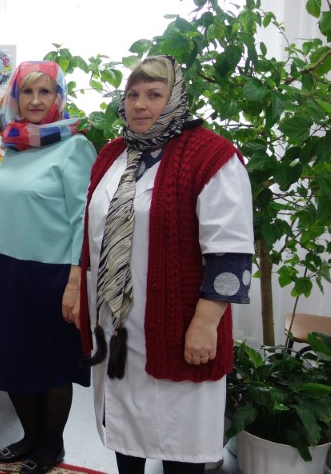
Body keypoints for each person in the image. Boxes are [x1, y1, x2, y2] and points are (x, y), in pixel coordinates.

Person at [73, 56, 254, 474]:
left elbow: (230, 252)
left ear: (176, 99)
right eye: (133, 94)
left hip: (178, 327)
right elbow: (92, 234)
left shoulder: (211, 156)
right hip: (118, 328)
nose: (140, 105)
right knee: (123, 427)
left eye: (154, 94)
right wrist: (76, 286)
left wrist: (205, 324)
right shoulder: (112, 154)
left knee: (179, 440)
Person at [0, 61, 96, 474]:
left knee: (50, 363)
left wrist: (76, 280)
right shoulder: (13, 145)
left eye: (45, 91)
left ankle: (51, 445)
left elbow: (84, 219)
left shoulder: (74, 147)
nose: (36, 100)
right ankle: (30, 436)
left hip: (51, 273)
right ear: (16, 98)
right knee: (11, 357)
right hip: (3, 269)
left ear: (59, 97)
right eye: (27, 92)